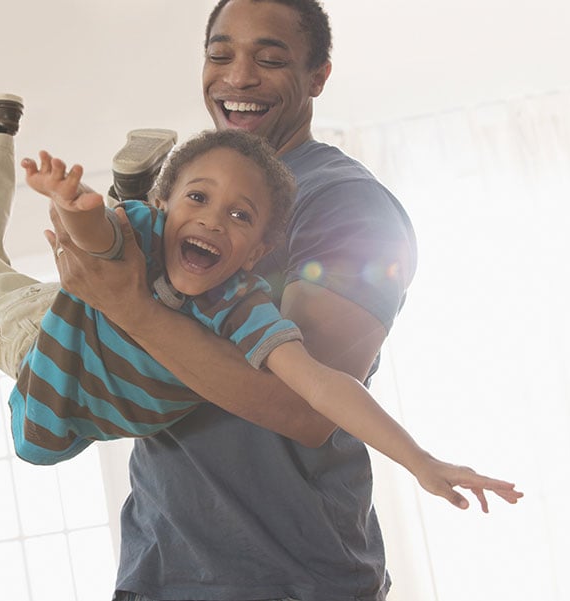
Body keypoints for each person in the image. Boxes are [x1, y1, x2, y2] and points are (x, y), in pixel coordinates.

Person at [40, 1, 514, 599]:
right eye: (219, 55)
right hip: (158, 569)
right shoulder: (190, 204)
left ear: (318, 76)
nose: (237, 77)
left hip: (291, 579)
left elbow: (308, 411)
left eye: (270, 59)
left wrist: (131, 307)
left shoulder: (348, 207)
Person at [0, 97, 521, 512]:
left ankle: (130, 183)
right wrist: (74, 205)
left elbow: (321, 385)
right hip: (44, 338)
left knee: (103, 252)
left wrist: (419, 459)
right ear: (166, 208)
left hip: (88, 324)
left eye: (240, 216)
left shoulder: (238, 305)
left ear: (258, 250)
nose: (215, 219)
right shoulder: (143, 233)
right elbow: (96, 246)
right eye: (199, 197)